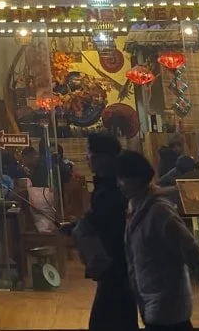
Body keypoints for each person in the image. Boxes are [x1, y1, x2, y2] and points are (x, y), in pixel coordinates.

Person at [116, 151, 199, 331]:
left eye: (124, 178)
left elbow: (189, 248)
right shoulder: (136, 210)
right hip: (151, 300)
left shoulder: (159, 211)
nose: (119, 184)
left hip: (168, 303)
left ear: (138, 179)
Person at [74, 132, 137, 331]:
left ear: (104, 158)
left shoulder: (111, 191)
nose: (87, 158)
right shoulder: (113, 186)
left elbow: (111, 231)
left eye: (90, 154)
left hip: (114, 269)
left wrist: (85, 229)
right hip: (120, 270)